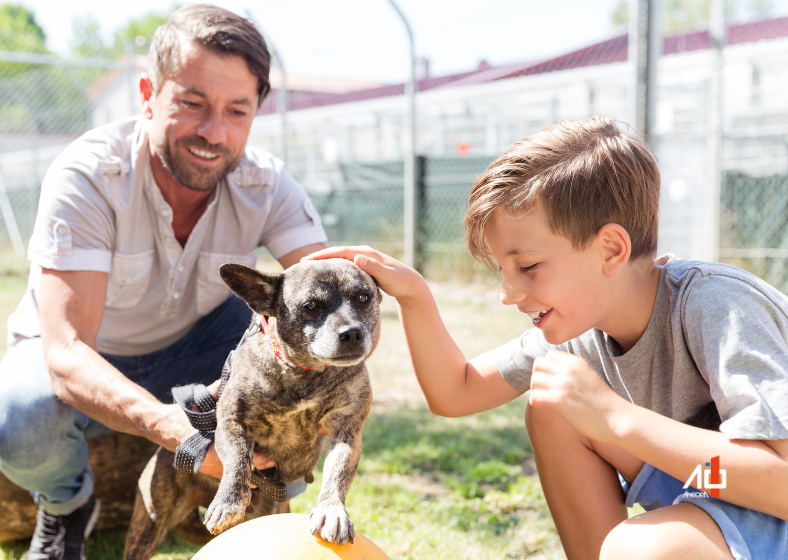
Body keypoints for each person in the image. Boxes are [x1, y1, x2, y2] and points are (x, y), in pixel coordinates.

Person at [305, 116, 788, 560]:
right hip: (709, 483)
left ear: (611, 249)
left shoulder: (717, 305)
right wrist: (413, 295)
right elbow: (458, 391)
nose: (508, 293)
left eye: (528, 267)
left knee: (642, 550)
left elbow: (781, 484)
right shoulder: (583, 324)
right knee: (553, 404)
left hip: (766, 499)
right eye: (503, 270)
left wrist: (615, 418)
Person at [0, 5, 328, 559]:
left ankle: (267, 504)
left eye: (236, 111)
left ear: (255, 113)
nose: (213, 132)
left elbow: (326, 295)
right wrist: (175, 430)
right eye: (192, 103)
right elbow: (67, 350)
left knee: (302, 352)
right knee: (19, 418)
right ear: (149, 92)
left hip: (197, 346)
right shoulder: (88, 175)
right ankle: (67, 505)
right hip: (82, 353)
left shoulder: (267, 184)